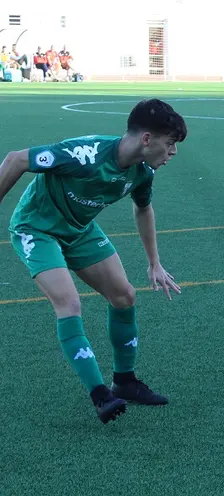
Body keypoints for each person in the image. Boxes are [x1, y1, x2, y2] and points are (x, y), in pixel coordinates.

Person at [0, 99, 187, 423]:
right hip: (37, 228)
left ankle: (124, 381)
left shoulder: (142, 172)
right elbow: (16, 159)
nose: (173, 152)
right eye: (170, 143)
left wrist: (154, 262)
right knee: (69, 303)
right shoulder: (84, 154)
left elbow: (143, 209)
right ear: (146, 139)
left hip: (79, 230)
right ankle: (100, 395)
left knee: (124, 296)